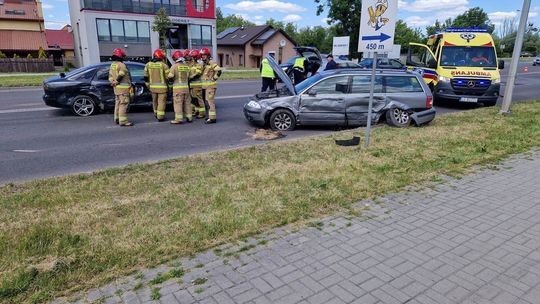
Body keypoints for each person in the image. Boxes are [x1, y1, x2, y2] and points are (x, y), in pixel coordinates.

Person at [108, 48, 133, 127]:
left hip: (116, 89)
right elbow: (121, 74)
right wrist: (117, 81)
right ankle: (123, 121)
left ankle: (117, 118)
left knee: (118, 103)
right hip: (123, 89)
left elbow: (110, 76)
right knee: (123, 104)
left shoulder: (112, 65)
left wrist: (113, 82)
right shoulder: (121, 65)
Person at [167, 50, 192, 124]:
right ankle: (189, 117)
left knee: (178, 104)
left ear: (175, 58)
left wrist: (170, 80)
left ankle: (178, 119)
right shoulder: (186, 66)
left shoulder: (174, 66)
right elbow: (189, 77)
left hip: (178, 90)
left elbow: (170, 77)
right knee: (187, 103)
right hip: (186, 89)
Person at [144, 49, 170, 121]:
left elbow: (145, 76)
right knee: (161, 102)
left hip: (152, 87)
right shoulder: (164, 66)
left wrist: (148, 85)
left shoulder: (148, 65)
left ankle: (156, 113)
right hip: (162, 88)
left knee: (154, 101)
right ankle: (160, 117)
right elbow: (169, 77)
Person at [200, 47, 221, 124]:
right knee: (208, 102)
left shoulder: (211, 62)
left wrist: (214, 79)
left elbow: (219, 70)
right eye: (202, 55)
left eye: (204, 55)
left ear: (208, 55)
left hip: (211, 87)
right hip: (207, 87)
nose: (203, 57)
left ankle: (212, 118)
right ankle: (210, 117)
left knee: (210, 102)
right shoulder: (204, 64)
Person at [188, 49, 205, 119]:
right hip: (192, 85)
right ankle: (197, 111)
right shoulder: (191, 64)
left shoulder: (199, 65)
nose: (190, 58)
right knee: (193, 99)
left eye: (192, 57)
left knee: (199, 99)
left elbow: (198, 73)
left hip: (197, 85)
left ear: (195, 57)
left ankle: (202, 113)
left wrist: (191, 77)